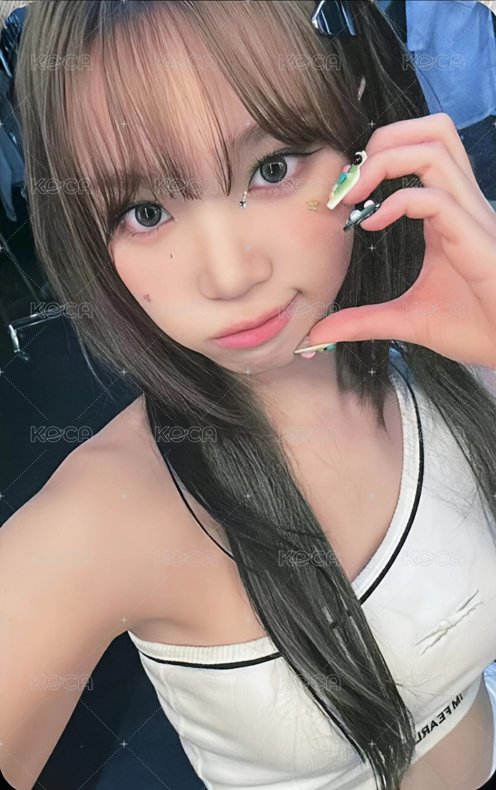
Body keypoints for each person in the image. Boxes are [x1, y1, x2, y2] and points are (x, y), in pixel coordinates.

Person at [2, 1, 496, 789]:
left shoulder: (460, 340)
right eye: (146, 211)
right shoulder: (104, 516)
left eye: (272, 168)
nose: (230, 274)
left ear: (357, 123)